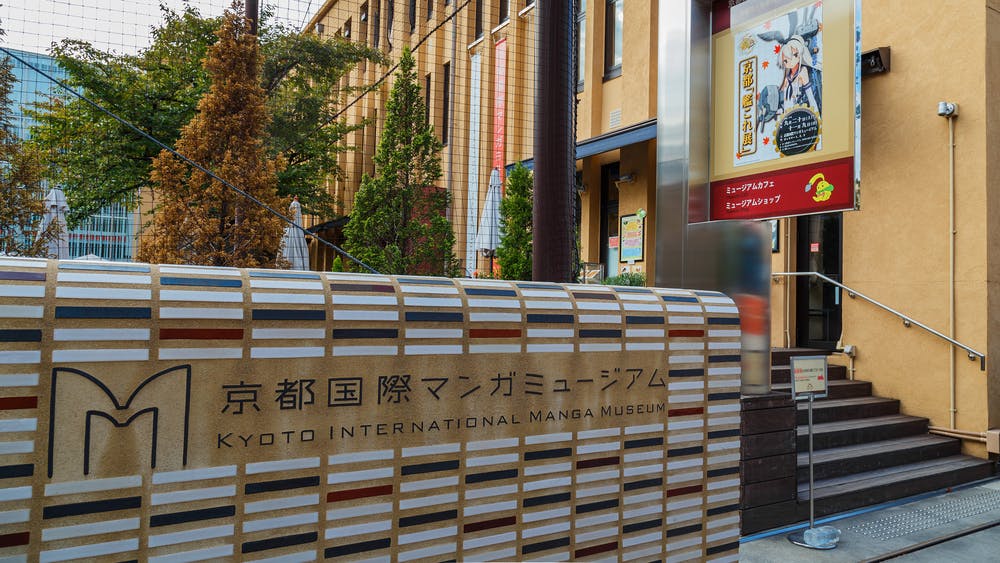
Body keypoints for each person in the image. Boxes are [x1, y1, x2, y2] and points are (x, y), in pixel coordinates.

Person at [778, 35, 821, 114]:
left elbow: (810, 96)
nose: (790, 62)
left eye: (794, 56)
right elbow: (785, 99)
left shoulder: (802, 71)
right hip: (787, 115)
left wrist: (816, 116)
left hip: (800, 113)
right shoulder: (787, 77)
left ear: (799, 56)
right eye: (785, 61)